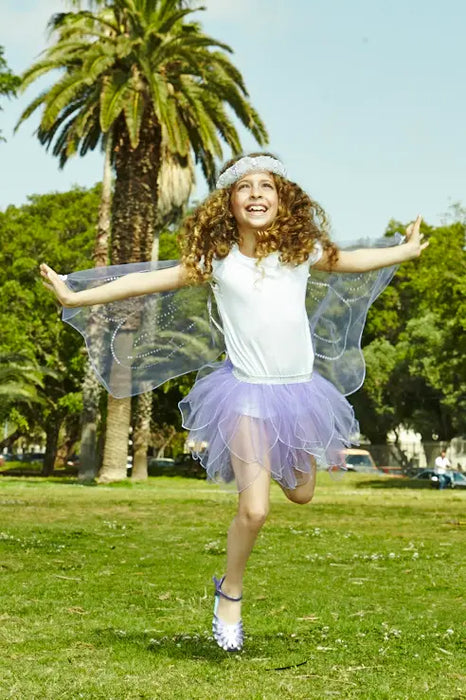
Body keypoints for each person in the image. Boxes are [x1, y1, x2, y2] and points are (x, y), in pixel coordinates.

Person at [40, 152, 428, 653]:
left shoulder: (300, 252)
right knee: (256, 510)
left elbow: (352, 259)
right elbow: (142, 281)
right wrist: (75, 296)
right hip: (244, 394)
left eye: (265, 186)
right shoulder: (217, 262)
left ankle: (274, 471)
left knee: (304, 494)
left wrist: (405, 251)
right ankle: (230, 593)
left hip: (299, 392)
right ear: (229, 204)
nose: (256, 194)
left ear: (282, 198)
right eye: (244, 188)